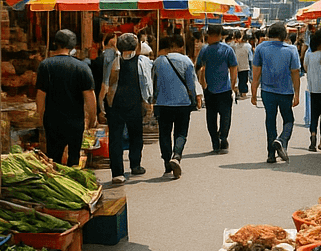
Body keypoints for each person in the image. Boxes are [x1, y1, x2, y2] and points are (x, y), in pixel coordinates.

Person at [35, 29, 96, 166]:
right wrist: (92, 118)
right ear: (73, 46)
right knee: (74, 158)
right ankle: (74, 179)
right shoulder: (82, 67)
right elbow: (90, 97)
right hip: (75, 122)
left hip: (52, 121)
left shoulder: (45, 65)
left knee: (53, 159)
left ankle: (57, 180)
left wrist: (40, 116)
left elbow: (40, 95)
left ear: (55, 44)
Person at [101, 32, 152, 184]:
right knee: (136, 135)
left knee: (115, 138)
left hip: (115, 104)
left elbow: (106, 83)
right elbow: (148, 82)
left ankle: (117, 173)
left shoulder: (112, 61)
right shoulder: (143, 61)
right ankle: (135, 165)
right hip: (134, 104)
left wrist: (102, 106)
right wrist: (148, 100)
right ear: (136, 47)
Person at [251, 21, 301, 163]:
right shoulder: (291, 50)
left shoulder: (261, 48)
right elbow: (295, 73)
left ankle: (271, 154)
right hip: (286, 92)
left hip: (267, 91)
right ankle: (282, 140)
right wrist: (297, 94)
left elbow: (256, 73)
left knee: (270, 120)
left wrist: (253, 93)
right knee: (289, 119)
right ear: (283, 35)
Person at [153, 33, 201, 178]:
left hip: (163, 103)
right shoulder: (186, 61)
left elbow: (154, 83)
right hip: (183, 103)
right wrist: (194, 97)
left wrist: (154, 99)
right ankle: (177, 155)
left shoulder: (158, 61)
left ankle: (167, 162)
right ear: (180, 47)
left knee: (164, 133)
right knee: (181, 132)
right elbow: (191, 84)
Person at [196, 24, 238, 153]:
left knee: (211, 117)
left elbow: (198, 67)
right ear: (221, 35)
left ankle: (215, 141)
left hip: (209, 89)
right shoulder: (227, 50)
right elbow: (233, 68)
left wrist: (202, 83)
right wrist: (233, 85)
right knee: (226, 116)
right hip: (225, 89)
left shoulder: (204, 50)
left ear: (208, 34)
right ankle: (223, 138)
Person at [232, 30, 252, 101]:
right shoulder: (247, 46)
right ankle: (242, 93)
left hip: (239, 66)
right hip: (244, 66)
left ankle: (241, 92)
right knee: (243, 79)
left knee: (241, 79)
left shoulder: (235, 46)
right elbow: (250, 57)